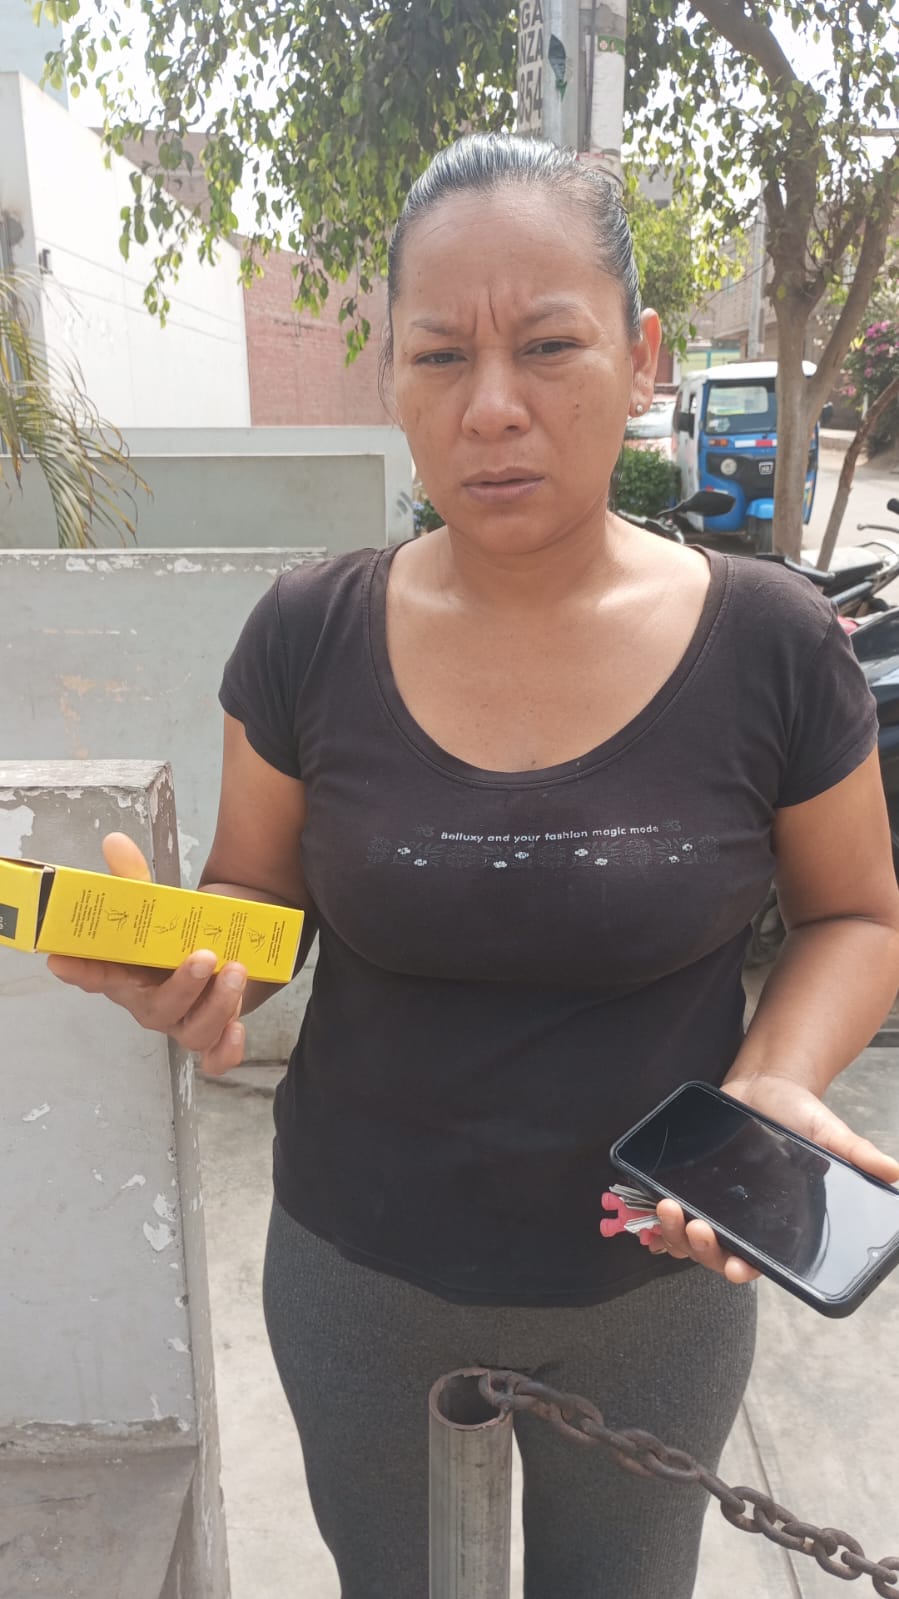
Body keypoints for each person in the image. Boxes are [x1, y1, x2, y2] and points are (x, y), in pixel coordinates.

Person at [47, 133, 899, 1599]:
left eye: (549, 346)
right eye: (439, 355)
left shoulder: (769, 643)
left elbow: (856, 914)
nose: (491, 406)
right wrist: (195, 966)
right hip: (357, 1276)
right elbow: (263, 900)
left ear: (641, 358)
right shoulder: (306, 634)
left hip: (654, 1285)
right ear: (391, 376)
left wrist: (773, 1082)